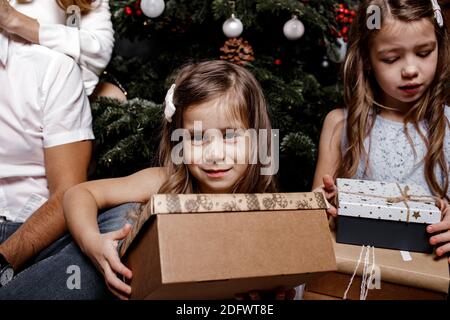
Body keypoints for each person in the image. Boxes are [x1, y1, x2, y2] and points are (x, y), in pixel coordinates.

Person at [63, 60, 296, 300]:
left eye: (230, 136)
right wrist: (92, 243)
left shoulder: (268, 211)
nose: (214, 155)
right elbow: (79, 194)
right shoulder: (163, 183)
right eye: (196, 137)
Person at [313, 0, 450, 263]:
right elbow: (316, 220)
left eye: (424, 53)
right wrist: (322, 204)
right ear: (366, 59)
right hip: (357, 269)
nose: (411, 70)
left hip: (428, 275)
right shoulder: (340, 124)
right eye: (391, 58)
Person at [0, 27, 127, 298]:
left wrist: (3, 259)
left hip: (36, 236)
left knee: (127, 217)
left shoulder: (51, 68)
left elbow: (68, 191)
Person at [0, 0, 125, 100]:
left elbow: (99, 50)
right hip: (10, 95)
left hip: (49, 91)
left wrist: (18, 22)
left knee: (113, 95)